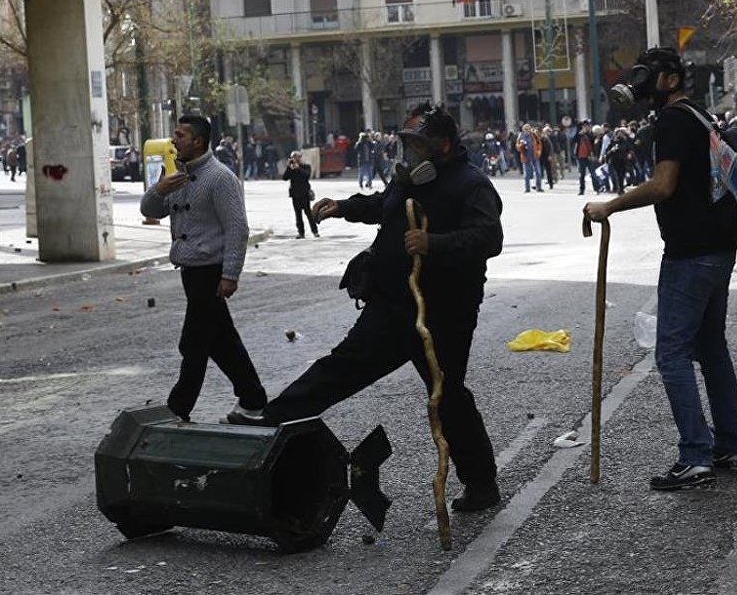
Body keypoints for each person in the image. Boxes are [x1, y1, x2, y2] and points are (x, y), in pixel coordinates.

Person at [236, 103, 504, 513]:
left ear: (443, 146)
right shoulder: (409, 181)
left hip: (442, 315)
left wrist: (435, 244)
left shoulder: (471, 185)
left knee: (447, 396)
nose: (409, 151)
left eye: (418, 143)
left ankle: (481, 483)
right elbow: (384, 205)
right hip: (393, 306)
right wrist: (344, 207)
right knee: (342, 366)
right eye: (406, 142)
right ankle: (272, 421)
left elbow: (489, 237)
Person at [584, 47, 737, 491]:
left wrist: (610, 206)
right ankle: (731, 447)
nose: (639, 83)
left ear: (671, 80)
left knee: (672, 353)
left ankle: (695, 455)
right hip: (718, 249)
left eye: (647, 75)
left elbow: (663, 184)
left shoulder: (673, 120)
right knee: (711, 347)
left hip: (691, 253)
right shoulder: (697, 114)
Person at [140, 115, 267, 425]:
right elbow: (149, 211)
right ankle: (253, 400)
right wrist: (159, 189)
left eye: (179, 135)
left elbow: (237, 228)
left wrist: (230, 274)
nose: (173, 141)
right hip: (190, 271)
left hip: (210, 272)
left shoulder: (220, 177)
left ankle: (177, 409)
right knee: (221, 340)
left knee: (194, 343)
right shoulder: (176, 174)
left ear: (197, 141)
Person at [283, 151, 318, 238]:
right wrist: (289, 168)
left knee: (308, 213)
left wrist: (298, 168)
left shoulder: (306, 166)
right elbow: (285, 178)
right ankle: (301, 233)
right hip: (295, 194)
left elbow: (307, 176)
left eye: (297, 157)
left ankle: (315, 231)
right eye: (293, 157)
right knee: (298, 215)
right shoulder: (291, 168)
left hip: (304, 193)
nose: (295, 159)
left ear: (300, 157)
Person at [516, 123, 542, 193]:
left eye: (528, 129)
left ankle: (539, 187)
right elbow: (517, 147)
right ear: (523, 130)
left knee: (538, 172)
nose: (527, 130)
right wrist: (521, 145)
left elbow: (539, 144)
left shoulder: (534, 135)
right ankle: (527, 188)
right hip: (526, 157)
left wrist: (539, 151)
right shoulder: (520, 136)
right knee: (527, 174)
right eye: (526, 129)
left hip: (535, 156)